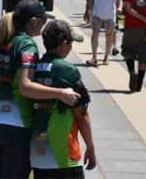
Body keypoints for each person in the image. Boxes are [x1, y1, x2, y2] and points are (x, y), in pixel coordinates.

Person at [0, 0, 80, 179]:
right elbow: (26, 87)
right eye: (42, 20)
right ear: (33, 22)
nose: (44, 24)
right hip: (17, 126)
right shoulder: (26, 45)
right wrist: (61, 93)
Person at [31, 20, 96, 178]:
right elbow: (81, 114)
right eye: (71, 43)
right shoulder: (68, 71)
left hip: (37, 153)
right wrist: (90, 146)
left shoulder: (33, 68)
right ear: (64, 44)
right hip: (64, 154)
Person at [84, 0, 123, 67]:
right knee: (94, 34)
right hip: (97, 13)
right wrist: (88, 10)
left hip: (110, 13)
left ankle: (106, 57)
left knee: (109, 35)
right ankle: (94, 57)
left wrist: (119, 7)